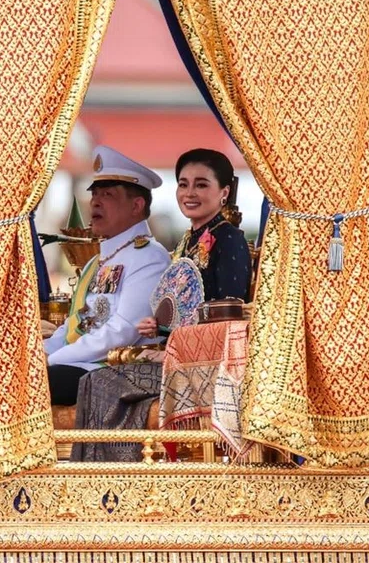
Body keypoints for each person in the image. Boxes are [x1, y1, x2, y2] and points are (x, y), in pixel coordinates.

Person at [75, 148, 252, 462]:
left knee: (102, 382)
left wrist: (169, 350)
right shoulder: (187, 241)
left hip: (203, 366)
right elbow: (180, 311)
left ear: (223, 192)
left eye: (201, 184)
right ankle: (93, 476)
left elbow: (227, 318)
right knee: (91, 381)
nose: (189, 193)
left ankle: (119, 477)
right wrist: (159, 327)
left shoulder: (229, 240)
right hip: (175, 358)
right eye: (183, 184)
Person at [42, 146, 170, 406]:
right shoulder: (96, 261)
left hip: (114, 368)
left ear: (137, 205)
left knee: (39, 384)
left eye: (108, 194)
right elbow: (73, 325)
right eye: (95, 194)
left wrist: (55, 359)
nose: (95, 202)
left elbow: (123, 330)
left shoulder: (149, 256)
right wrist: (40, 354)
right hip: (80, 362)